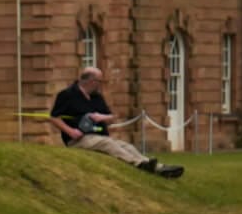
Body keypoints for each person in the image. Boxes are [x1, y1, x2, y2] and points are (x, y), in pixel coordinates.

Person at [49, 67, 184, 179]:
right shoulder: (67, 95)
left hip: (99, 136)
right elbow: (54, 117)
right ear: (91, 81)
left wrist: (102, 117)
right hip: (79, 139)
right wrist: (71, 132)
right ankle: (139, 164)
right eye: (99, 81)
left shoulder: (97, 97)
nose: (101, 84)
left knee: (126, 146)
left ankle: (157, 167)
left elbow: (112, 117)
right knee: (108, 144)